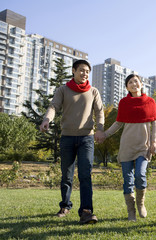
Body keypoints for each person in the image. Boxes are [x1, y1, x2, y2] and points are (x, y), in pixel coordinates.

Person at [40, 59, 104, 224]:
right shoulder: (63, 90)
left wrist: (100, 129)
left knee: (85, 175)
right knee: (66, 175)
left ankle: (86, 211)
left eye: (87, 72)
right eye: (81, 70)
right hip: (67, 137)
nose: (84, 74)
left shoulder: (93, 91)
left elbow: (99, 111)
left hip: (87, 138)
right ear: (74, 71)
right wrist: (47, 120)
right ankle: (65, 206)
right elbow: (53, 107)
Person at [97, 74, 156, 221]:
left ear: (141, 84)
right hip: (126, 146)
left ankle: (140, 204)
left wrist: (153, 141)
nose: (133, 84)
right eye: (130, 82)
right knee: (128, 180)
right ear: (127, 87)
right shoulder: (124, 103)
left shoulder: (150, 102)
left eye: (136, 81)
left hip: (143, 147)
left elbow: (155, 122)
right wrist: (105, 134)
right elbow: (118, 123)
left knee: (140, 175)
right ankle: (131, 211)